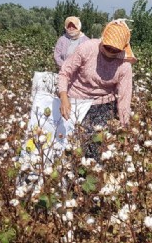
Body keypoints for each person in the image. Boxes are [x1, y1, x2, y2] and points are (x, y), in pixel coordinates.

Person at [58, 20, 135, 156]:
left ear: (123, 47)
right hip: (76, 101)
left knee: (97, 148)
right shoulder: (87, 48)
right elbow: (65, 72)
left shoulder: (124, 65)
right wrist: (64, 98)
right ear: (102, 39)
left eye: (115, 50)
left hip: (103, 105)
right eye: (107, 47)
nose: (110, 52)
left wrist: (124, 130)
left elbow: (124, 99)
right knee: (71, 145)